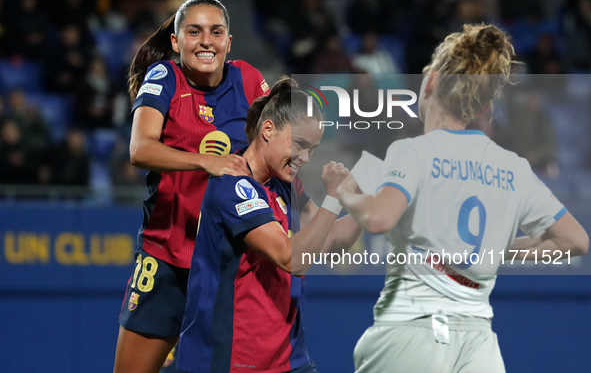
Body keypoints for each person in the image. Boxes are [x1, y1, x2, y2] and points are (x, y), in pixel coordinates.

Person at [336, 24, 589, 373]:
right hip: (479, 345)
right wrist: (498, 248)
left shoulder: (412, 151)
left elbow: (379, 219)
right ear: (483, 104)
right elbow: (575, 241)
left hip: (411, 333)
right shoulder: (511, 166)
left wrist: (347, 193)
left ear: (431, 81)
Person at [113, 0, 270, 373]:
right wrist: (206, 161)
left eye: (216, 32)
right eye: (194, 31)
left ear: (229, 42)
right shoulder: (164, 77)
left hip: (228, 264)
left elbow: (275, 144)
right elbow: (140, 148)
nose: (206, 41)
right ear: (175, 41)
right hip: (167, 257)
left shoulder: (248, 79)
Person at [177, 77, 358, 373]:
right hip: (229, 363)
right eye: (300, 144)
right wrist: (335, 197)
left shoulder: (287, 184)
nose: (306, 158)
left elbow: (330, 238)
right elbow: (291, 257)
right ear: (268, 129)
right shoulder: (232, 185)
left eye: (313, 149)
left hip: (289, 360)